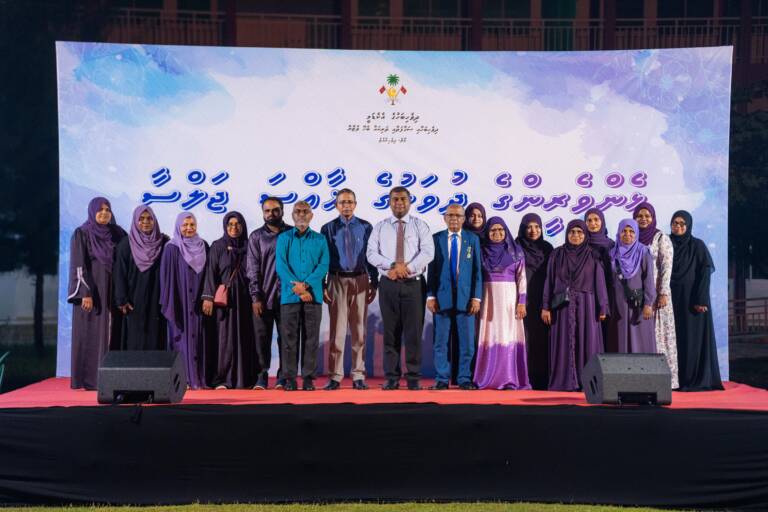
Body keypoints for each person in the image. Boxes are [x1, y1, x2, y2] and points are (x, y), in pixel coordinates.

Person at [367, 186, 434, 390]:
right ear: (389, 202)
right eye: (395, 199)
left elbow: (428, 252)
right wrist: (391, 266)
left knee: (413, 334)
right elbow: (371, 253)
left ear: (410, 201)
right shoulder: (380, 227)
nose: (399, 202)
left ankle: (413, 378)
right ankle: (392, 377)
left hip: (414, 285)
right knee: (391, 333)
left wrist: (408, 268)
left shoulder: (420, 226)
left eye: (403, 199)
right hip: (388, 284)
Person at [542, 219, 609, 391]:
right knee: (564, 343)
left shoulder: (593, 255)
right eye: (572, 232)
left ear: (585, 234)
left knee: (587, 342)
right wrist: (545, 306)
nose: (576, 235)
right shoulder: (557, 254)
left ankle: (587, 382)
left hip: (587, 305)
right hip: (562, 306)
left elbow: (600, 282)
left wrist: (603, 306)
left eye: (580, 232)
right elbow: (549, 281)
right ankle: (565, 381)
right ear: (567, 234)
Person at [321, 189, 378, 390]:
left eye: (350, 202)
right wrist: (322, 285)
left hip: (360, 279)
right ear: (336, 205)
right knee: (337, 332)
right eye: (342, 202)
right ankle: (335, 377)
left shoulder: (366, 226)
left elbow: (371, 256)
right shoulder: (327, 228)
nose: (346, 205)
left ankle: (358, 375)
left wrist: (374, 281)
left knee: (359, 331)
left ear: (355, 204)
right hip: (336, 280)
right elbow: (323, 258)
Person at [68, 197, 126, 390]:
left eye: (107, 210)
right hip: (93, 293)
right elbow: (78, 265)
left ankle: (111, 377)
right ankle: (90, 379)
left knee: (113, 331)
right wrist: (85, 292)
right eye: (100, 210)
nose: (104, 213)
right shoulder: (82, 233)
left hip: (113, 291)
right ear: (92, 211)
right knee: (91, 332)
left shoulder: (117, 233)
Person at [426, 204, 482, 390]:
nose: (454, 219)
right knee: (440, 342)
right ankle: (442, 379)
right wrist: (430, 296)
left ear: (464, 219)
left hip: (466, 300)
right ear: (444, 218)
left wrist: (476, 298)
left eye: (458, 216)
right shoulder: (436, 239)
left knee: (467, 343)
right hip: (442, 298)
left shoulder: (472, 239)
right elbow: (431, 270)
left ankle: (464, 378)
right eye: (450, 215)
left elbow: (477, 271)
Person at [275, 201, 329, 391]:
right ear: (292, 215)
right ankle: (289, 378)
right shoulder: (283, 238)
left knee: (311, 339)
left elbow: (323, 266)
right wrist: (298, 288)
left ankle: (308, 379)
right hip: (289, 297)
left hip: (313, 297)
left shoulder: (320, 239)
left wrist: (305, 286)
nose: (301, 215)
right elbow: (281, 266)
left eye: (305, 211)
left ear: (311, 215)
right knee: (289, 339)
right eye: (297, 211)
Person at [669, 211, 723, 391]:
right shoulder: (666, 243)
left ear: (689, 225)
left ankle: (692, 379)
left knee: (691, 339)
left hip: (693, 301)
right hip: (671, 300)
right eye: (675, 223)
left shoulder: (697, 245)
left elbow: (705, 273)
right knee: (674, 339)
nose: (678, 227)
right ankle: (675, 379)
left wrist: (701, 300)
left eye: (682, 223)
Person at [160, 212, 214, 389]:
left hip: (199, 301)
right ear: (178, 226)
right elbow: (166, 279)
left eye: (192, 224)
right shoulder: (171, 248)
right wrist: (170, 304)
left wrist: (207, 296)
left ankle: (198, 378)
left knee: (199, 339)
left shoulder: (203, 245)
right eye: (185, 225)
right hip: (180, 302)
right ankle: (182, 380)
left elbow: (209, 274)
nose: (189, 228)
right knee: (180, 339)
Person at [202, 211, 256, 389]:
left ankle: (244, 379)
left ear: (243, 226)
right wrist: (208, 297)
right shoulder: (218, 246)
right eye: (230, 224)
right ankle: (222, 379)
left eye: (238, 224)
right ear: (225, 226)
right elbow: (211, 272)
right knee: (224, 339)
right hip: (225, 302)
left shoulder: (249, 246)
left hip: (246, 300)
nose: (234, 227)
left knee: (245, 337)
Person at [474, 216, 529, 390]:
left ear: (506, 232)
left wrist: (522, 302)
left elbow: (522, 279)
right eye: (493, 230)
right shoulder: (481, 252)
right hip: (488, 300)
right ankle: (486, 378)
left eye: (500, 230)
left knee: (507, 335)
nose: (497, 233)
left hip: (509, 301)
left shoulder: (516, 252)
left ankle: (509, 378)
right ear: (487, 232)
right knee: (489, 335)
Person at [247, 196, 292, 389]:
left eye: (275, 210)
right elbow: (252, 268)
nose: (271, 214)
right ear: (263, 213)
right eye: (267, 210)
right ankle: (261, 376)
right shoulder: (256, 236)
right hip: (263, 297)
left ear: (282, 211)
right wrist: (256, 296)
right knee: (261, 340)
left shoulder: (293, 233)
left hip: (288, 297)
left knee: (287, 339)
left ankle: (284, 377)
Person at [634, 202, 679, 388]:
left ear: (653, 218)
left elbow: (666, 266)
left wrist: (663, 293)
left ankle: (664, 381)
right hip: (638, 295)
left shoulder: (661, 238)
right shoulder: (632, 236)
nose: (643, 219)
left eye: (647, 216)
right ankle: (641, 378)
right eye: (639, 216)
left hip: (657, 296)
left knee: (659, 337)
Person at [113, 205, 168, 351]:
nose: (145, 222)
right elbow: (119, 273)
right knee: (135, 336)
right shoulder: (126, 244)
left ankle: (155, 366)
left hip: (157, 298)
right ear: (135, 220)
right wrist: (121, 299)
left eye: (149, 218)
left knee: (156, 336)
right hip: (133, 299)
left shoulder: (163, 243)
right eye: (141, 218)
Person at [607, 219, 657, 353]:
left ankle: (642, 367)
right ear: (619, 233)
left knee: (641, 339)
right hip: (618, 305)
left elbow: (649, 279)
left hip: (638, 304)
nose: (627, 234)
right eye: (624, 231)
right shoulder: (612, 253)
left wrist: (648, 304)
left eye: (631, 231)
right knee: (620, 338)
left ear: (636, 233)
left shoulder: (643, 252)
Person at [516, 213, 553, 390]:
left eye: (537, 227)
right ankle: (523, 377)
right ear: (523, 228)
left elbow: (553, 277)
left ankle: (541, 379)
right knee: (523, 338)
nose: (533, 230)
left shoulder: (547, 248)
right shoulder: (516, 247)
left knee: (541, 339)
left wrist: (548, 303)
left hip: (542, 300)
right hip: (522, 300)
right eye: (529, 227)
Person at [462, 202, 486, 382]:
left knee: (485, 333)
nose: (476, 218)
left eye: (480, 215)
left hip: (489, 291)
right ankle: (465, 375)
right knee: (468, 335)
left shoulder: (490, 236)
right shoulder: (461, 236)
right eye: (472, 215)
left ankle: (484, 373)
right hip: (466, 293)